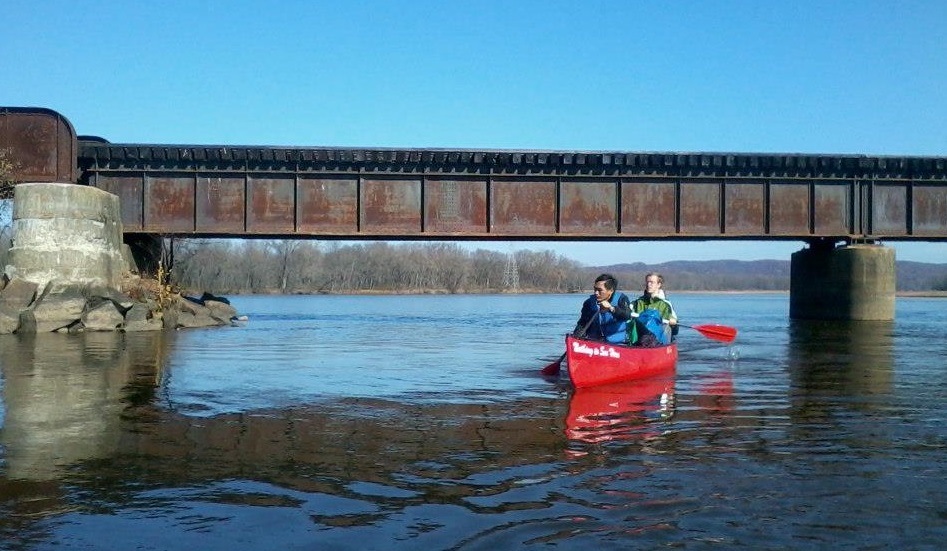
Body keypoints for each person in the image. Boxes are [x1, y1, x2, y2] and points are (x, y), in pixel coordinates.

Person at [572, 273, 633, 343]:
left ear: (611, 290)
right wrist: (575, 340)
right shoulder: (588, 303)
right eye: (595, 289)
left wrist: (611, 308)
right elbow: (582, 324)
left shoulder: (621, 299)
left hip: (618, 344)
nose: (596, 293)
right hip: (595, 343)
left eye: (599, 290)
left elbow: (627, 316)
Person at [628, 272, 679, 347]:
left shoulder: (666, 304)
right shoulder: (637, 303)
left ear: (659, 285)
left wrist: (674, 324)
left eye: (652, 282)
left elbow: (675, 331)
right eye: (647, 282)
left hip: (659, 342)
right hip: (640, 341)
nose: (649, 285)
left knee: (666, 327)